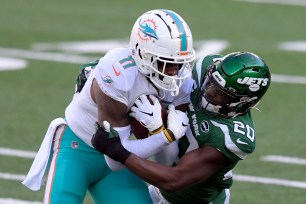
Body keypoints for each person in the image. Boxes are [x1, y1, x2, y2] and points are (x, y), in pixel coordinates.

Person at [22, 9, 195, 204]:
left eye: (178, 63)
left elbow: (168, 159)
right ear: (141, 53)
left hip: (116, 166)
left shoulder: (182, 81)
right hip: (76, 151)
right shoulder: (118, 73)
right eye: (165, 63)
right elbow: (114, 154)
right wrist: (165, 135)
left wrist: (160, 132)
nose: (173, 72)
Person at [91, 52, 271, 204]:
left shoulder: (232, 137)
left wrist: (117, 151)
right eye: (210, 83)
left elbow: (174, 179)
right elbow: (159, 76)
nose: (208, 92)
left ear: (241, 103)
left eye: (221, 95)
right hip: (159, 188)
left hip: (194, 199)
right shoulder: (203, 69)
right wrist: (98, 74)